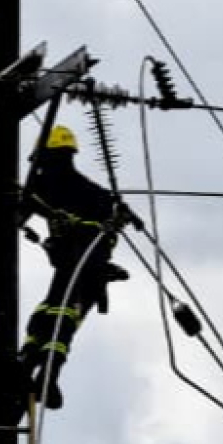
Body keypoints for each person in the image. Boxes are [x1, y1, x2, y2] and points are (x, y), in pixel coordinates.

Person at [17, 123, 140, 409]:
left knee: (55, 307)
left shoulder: (42, 186)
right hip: (87, 260)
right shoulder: (92, 192)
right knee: (64, 312)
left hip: (79, 258)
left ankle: (30, 361)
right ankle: (43, 371)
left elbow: (21, 211)